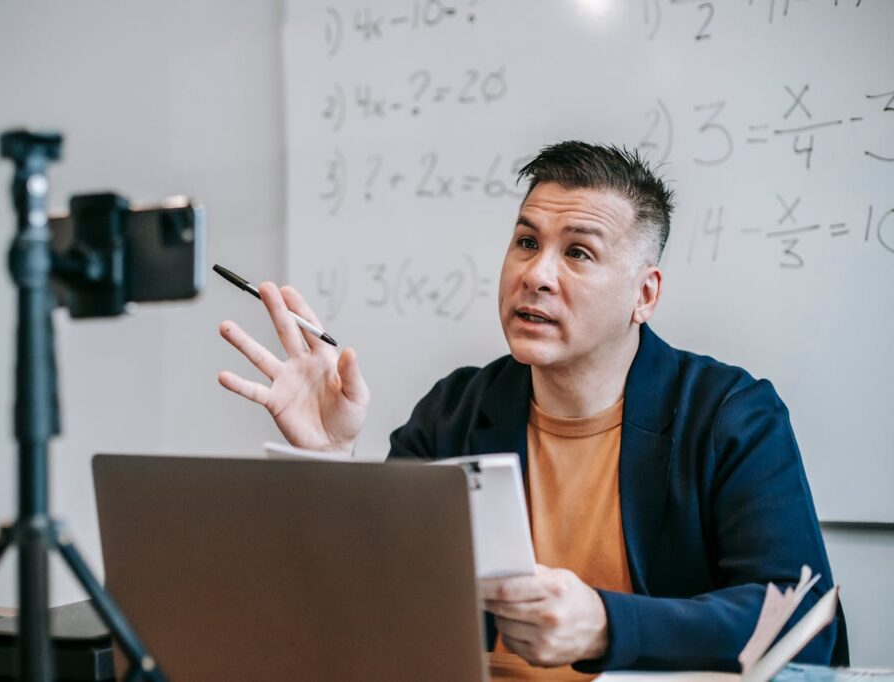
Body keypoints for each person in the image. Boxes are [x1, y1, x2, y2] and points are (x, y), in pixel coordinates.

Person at [216, 141, 848, 676]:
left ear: (644, 294)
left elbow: (803, 623)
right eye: (525, 241)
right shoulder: (456, 410)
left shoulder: (730, 415)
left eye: (577, 252)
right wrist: (328, 461)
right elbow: (368, 607)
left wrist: (607, 625)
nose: (536, 274)